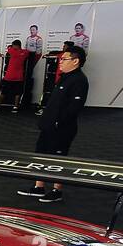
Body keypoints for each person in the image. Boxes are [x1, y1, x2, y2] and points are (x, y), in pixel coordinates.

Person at [19, 45, 88, 204]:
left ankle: (57, 190)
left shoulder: (79, 80)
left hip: (62, 128)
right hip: (48, 125)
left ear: (76, 61)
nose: (61, 62)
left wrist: (58, 122)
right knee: (41, 154)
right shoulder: (65, 77)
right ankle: (39, 187)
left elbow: (74, 108)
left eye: (64, 59)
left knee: (57, 159)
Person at [0, 39, 29, 113]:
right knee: (17, 93)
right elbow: (27, 52)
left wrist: (12, 47)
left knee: (3, 92)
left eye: (13, 46)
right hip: (19, 77)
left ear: (16, 46)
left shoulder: (12, 51)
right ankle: (15, 107)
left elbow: (9, 48)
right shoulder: (25, 52)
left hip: (9, 77)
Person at [22, 25, 43, 112]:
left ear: (36, 30)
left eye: (33, 30)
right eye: (31, 30)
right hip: (27, 56)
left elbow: (38, 50)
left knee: (29, 75)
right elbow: (26, 48)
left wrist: (33, 55)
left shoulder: (39, 39)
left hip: (33, 57)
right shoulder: (28, 38)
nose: (32, 31)